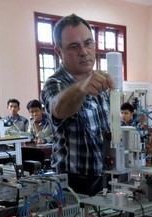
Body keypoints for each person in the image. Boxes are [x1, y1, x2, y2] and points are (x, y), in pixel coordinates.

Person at [41, 14, 114, 196]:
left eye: (88, 43)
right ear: (59, 52)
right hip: (73, 186)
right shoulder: (55, 83)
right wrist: (81, 87)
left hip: (107, 180)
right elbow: (58, 108)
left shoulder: (101, 80)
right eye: (74, 47)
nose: (84, 51)